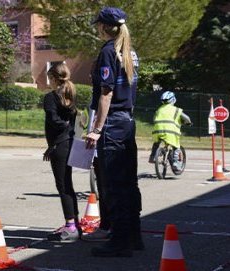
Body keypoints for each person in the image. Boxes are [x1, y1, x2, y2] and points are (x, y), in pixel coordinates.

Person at [84, 7, 143, 257]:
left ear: (104, 27)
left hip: (112, 124)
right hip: (127, 120)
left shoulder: (109, 51)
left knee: (114, 184)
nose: (97, 28)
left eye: (98, 25)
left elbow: (106, 94)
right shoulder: (129, 51)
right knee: (129, 182)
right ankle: (134, 236)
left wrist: (96, 129)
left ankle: (119, 242)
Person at [43, 63, 80, 242]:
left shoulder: (51, 97)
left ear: (54, 78)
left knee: (63, 186)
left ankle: (70, 225)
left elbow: (53, 120)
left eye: (49, 78)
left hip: (60, 145)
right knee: (68, 184)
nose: (48, 81)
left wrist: (60, 132)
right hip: (69, 142)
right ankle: (76, 223)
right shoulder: (70, 94)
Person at [148, 91, 192, 170]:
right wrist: (189, 123)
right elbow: (187, 118)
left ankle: (152, 157)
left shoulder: (159, 109)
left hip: (157, 131)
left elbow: (154, 119)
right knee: (176, 146)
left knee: (156, 143)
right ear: (173, 99)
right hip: (171, 132)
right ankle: (175, 162)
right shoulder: (176, 110)